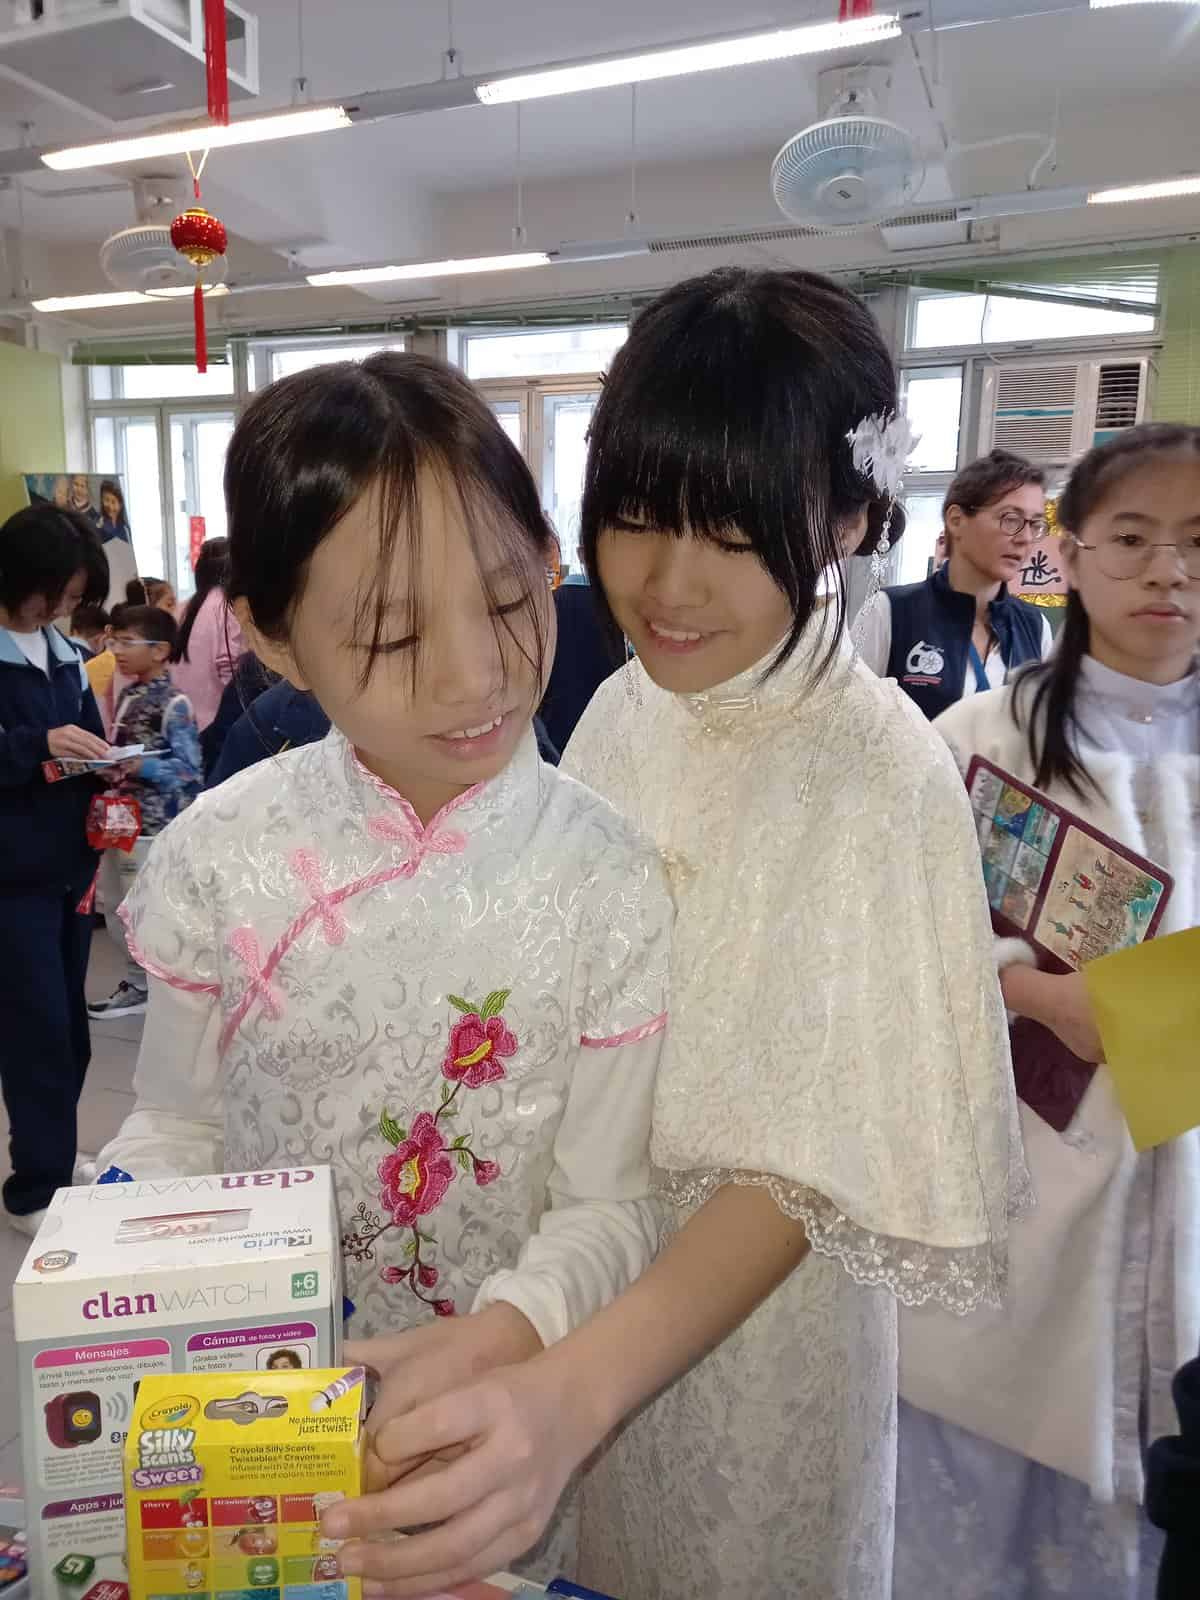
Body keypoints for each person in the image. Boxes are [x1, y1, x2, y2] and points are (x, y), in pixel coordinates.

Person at [324, 268, 1023, 1599]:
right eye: (636, 518)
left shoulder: (878, 774)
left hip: (749, 1339)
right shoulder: (627, 706)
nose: (666, 583)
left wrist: (575, 1386)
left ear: (850, 516)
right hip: (584, 1272)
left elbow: (807, 1174)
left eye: (734, 532)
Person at [94, 353, 673, 1581]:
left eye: (510, 598)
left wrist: (505, 1336)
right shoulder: (220, 857)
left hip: (494, 1431)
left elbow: (608, 1202)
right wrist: (107, 1258)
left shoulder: (610, 877)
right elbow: (177, 1123)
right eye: (393, 633)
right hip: (257, 1422)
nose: (474, 676)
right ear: (275, 638)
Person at [893, 423, 1200, 1599]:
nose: (1169, 572)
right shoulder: (980, 740)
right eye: (1133, 539)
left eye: (1197, 542)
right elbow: (890, 949)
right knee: (992, 1522)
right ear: (1067, 556)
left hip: (1190, 1194)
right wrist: (1030, 991)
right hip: (1027, 1181)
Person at [0, 504, 110, 1234]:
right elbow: (33, 747)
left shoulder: (64, 654)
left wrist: (110, 764)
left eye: (73, 599)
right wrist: (38, 744)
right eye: (55, 595)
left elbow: (86, 740)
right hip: (11, 879)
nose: (62, 610)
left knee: (70, 1025)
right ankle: (33, 1187)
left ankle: (56, 1156)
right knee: (35, 1027)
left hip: (69, 868)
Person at [857, 449, 1053, 716]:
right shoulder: (891, 611)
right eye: (1011, 520)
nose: (1025, 538)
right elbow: (847, 719)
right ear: (956, 520)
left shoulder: (1034, 627)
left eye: (1035, 524)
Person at [88, 605, 202, 1022]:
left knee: (145, 911)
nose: (116, 650)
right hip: (122, 820)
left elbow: (190, 771)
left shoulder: (175, 703)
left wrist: (142, 767)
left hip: (154, 826)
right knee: (116, 907)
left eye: (127, 642)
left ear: (160, 650)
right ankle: (137, 983)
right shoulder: (128, 696)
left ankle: (153, 987)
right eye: (113, 641)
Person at [169, 538, 243, 732]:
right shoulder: (229, 609)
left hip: (180, 719)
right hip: (216, 722)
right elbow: (231, 672)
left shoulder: (180, 609)